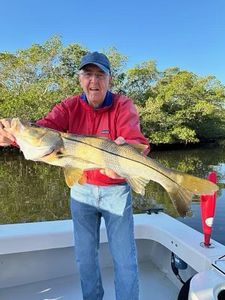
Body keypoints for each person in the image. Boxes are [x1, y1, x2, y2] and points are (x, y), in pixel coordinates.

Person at [0, 51, 150, 300]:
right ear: (80, 79)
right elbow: (44, 132)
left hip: (117, 190)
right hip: (81, 190)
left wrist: (127, 150)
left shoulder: (123, 105)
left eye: (100, 74)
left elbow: (136, 140)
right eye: (88, 74)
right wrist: (12, 137)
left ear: (109, 79)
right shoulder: (69, 106)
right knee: (84, 258)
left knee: (125, 258)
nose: (94, 81)